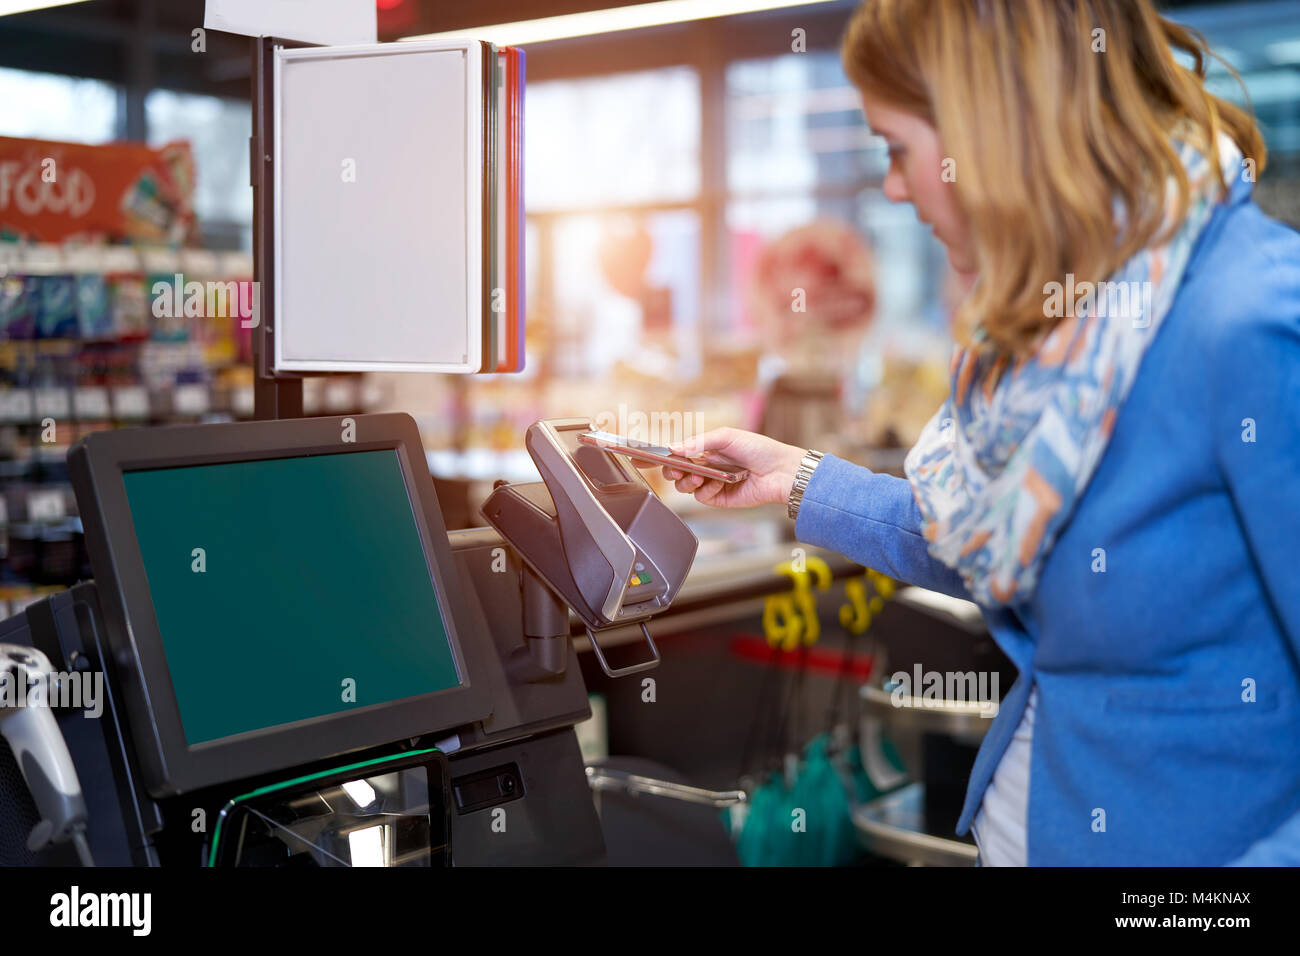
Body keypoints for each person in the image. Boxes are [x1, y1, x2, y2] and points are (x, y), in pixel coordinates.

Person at [663, 0, 1300, 865]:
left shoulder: (1251, 320)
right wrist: (800, 478)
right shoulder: (1071, 326)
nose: (891, 188)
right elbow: (1000, 544)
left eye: (897, 150)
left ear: (992, 137)